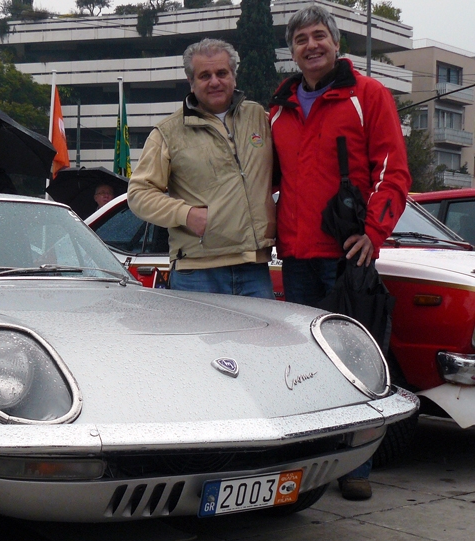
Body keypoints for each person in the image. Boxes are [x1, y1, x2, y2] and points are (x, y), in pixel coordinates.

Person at [269, 5, 411, 501]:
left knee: (356, 363)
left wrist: (374, 233)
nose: (311, 45)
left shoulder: (368, 95)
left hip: (348, 257)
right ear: (292, 52)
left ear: (335, 42)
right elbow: (266, 180)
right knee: (304, 367)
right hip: (296, 256)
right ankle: (314, 461)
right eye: (301, 39)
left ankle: (357, 466)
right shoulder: (279, 108)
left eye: (319, 36)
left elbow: (393, 171)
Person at [128, 38, 276, 298]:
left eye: (222, 73)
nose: (214, 81)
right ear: (191, 81)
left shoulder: (259, 118)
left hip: (255, 267)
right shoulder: (168, 132)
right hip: (197, 273)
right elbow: (139, 194)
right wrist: (186, 214)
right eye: (205, 75)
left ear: (234, 76)